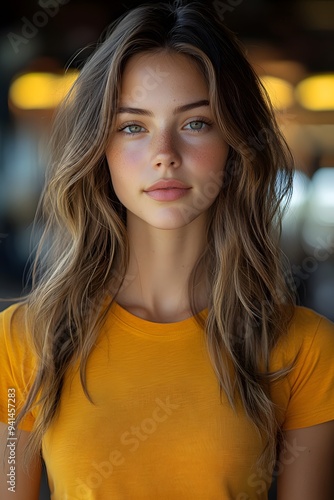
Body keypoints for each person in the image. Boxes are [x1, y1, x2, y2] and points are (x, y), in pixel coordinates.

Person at [1, 1, 334, 498]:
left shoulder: (303, 349)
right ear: (100, 150)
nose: (164, 156)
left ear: (235, 143)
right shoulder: (22, 342)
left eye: (196, 123)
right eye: (133, 126)